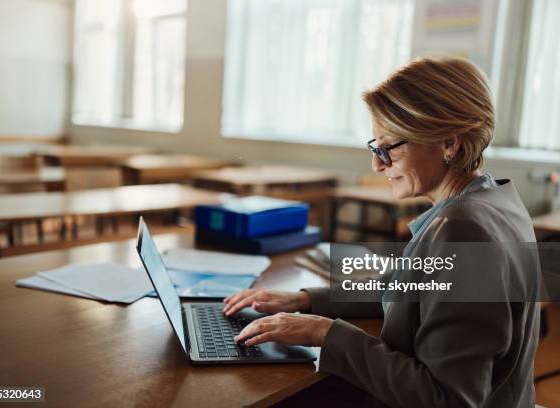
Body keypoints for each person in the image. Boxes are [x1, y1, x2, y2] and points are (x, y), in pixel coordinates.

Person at [223, 57, 539, 407]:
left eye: (390, 148)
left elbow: (448, 399)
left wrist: (325, 333)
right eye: (376, 146)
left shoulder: (463, 230)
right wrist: (308, 300)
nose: (377, 163)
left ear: (449, 143)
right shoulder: (495, 198)